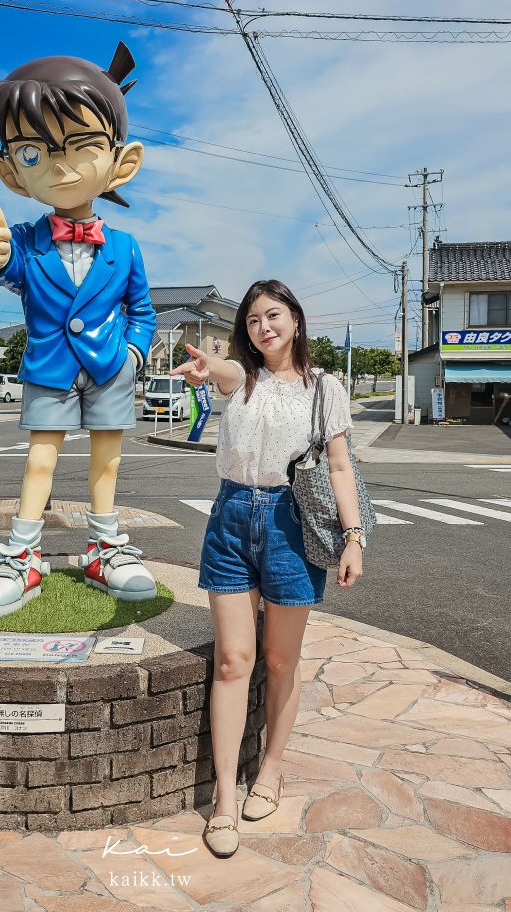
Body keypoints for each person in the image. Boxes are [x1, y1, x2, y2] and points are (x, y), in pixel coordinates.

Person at [171, 279, 364, 857]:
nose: (264, 327)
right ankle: (225, 801)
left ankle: (271, 770)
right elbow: (224, 373)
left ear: (296, 321)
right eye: (253, 320)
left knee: (281, 659)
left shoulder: (324, 387)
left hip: (290, 523)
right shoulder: (241, 377)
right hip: (231, 515)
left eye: (273, 316)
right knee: (233, 660)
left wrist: (353, 537)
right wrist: (209, 369)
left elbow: (339, 467)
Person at [0, 43, 157, 617]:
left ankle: (105, 548)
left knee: (108, 461)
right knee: (40, 460)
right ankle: (22, 555)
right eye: (33, 151)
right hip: (49, 366)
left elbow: (142, 310)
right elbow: (7, 266)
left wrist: (134, 357)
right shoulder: (25, 239)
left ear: (121, 160)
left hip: (109, 368)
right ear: (10, 169)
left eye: (83, 145)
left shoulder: (124, 246)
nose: (61, 165)